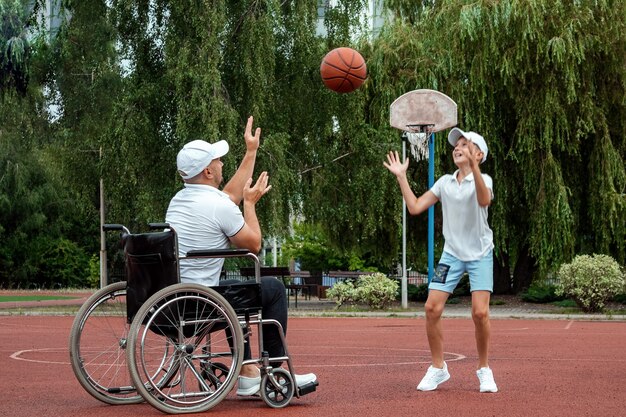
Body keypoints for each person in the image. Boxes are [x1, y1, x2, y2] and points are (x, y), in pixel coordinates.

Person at [166, 116, 317, 397]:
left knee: (235, 291)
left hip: (176, 299)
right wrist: (250, 204)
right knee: (271, 289)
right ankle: (273, 372)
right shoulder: (218, 207)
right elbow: (254, 245)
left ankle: (248, 374)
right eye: (219, 161)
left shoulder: (179, 200)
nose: (223, 164)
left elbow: (227, 197)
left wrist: (251, 152)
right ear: (208, 172)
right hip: (203, 304)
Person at [383, 127, 498, 393]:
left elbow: (483, 200)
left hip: (480, 254)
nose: (457, 147)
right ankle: (438, 368)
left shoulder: (485, 180)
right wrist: (401, 176)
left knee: (480, 312)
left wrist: (474, 168)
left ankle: (484, 369)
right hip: (452, 255)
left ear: (479, 154)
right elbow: (414, 207)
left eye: (466, 144)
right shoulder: (445, 182)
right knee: (431, 309)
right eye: (456, 145)